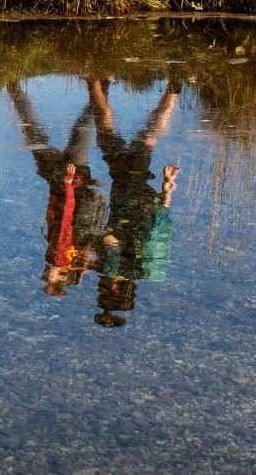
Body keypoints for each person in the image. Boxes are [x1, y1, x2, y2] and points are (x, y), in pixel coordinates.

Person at [87, 77, 180, 327]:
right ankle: (94, 80)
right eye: (104, 294)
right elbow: (111, 238)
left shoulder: (140, 269)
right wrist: (93, 247)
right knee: (111, 136)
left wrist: (166, 189)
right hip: (126, 188)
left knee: (147, 139)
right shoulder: (112, 267)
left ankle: (173, 91)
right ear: (113, 290)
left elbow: (160, 224)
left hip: (143, 196)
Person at [8, 82, 108, 294]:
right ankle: (12, 87)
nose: (46, 274)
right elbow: (65, 219)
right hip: (65, 180)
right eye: (50, 278)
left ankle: (101, 85)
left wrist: (78, 273)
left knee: (84, 127)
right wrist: (68, 183)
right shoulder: (60, 256)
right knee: (34, 133)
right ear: (60, 275)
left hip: (77, 178)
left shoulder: (75, 257)